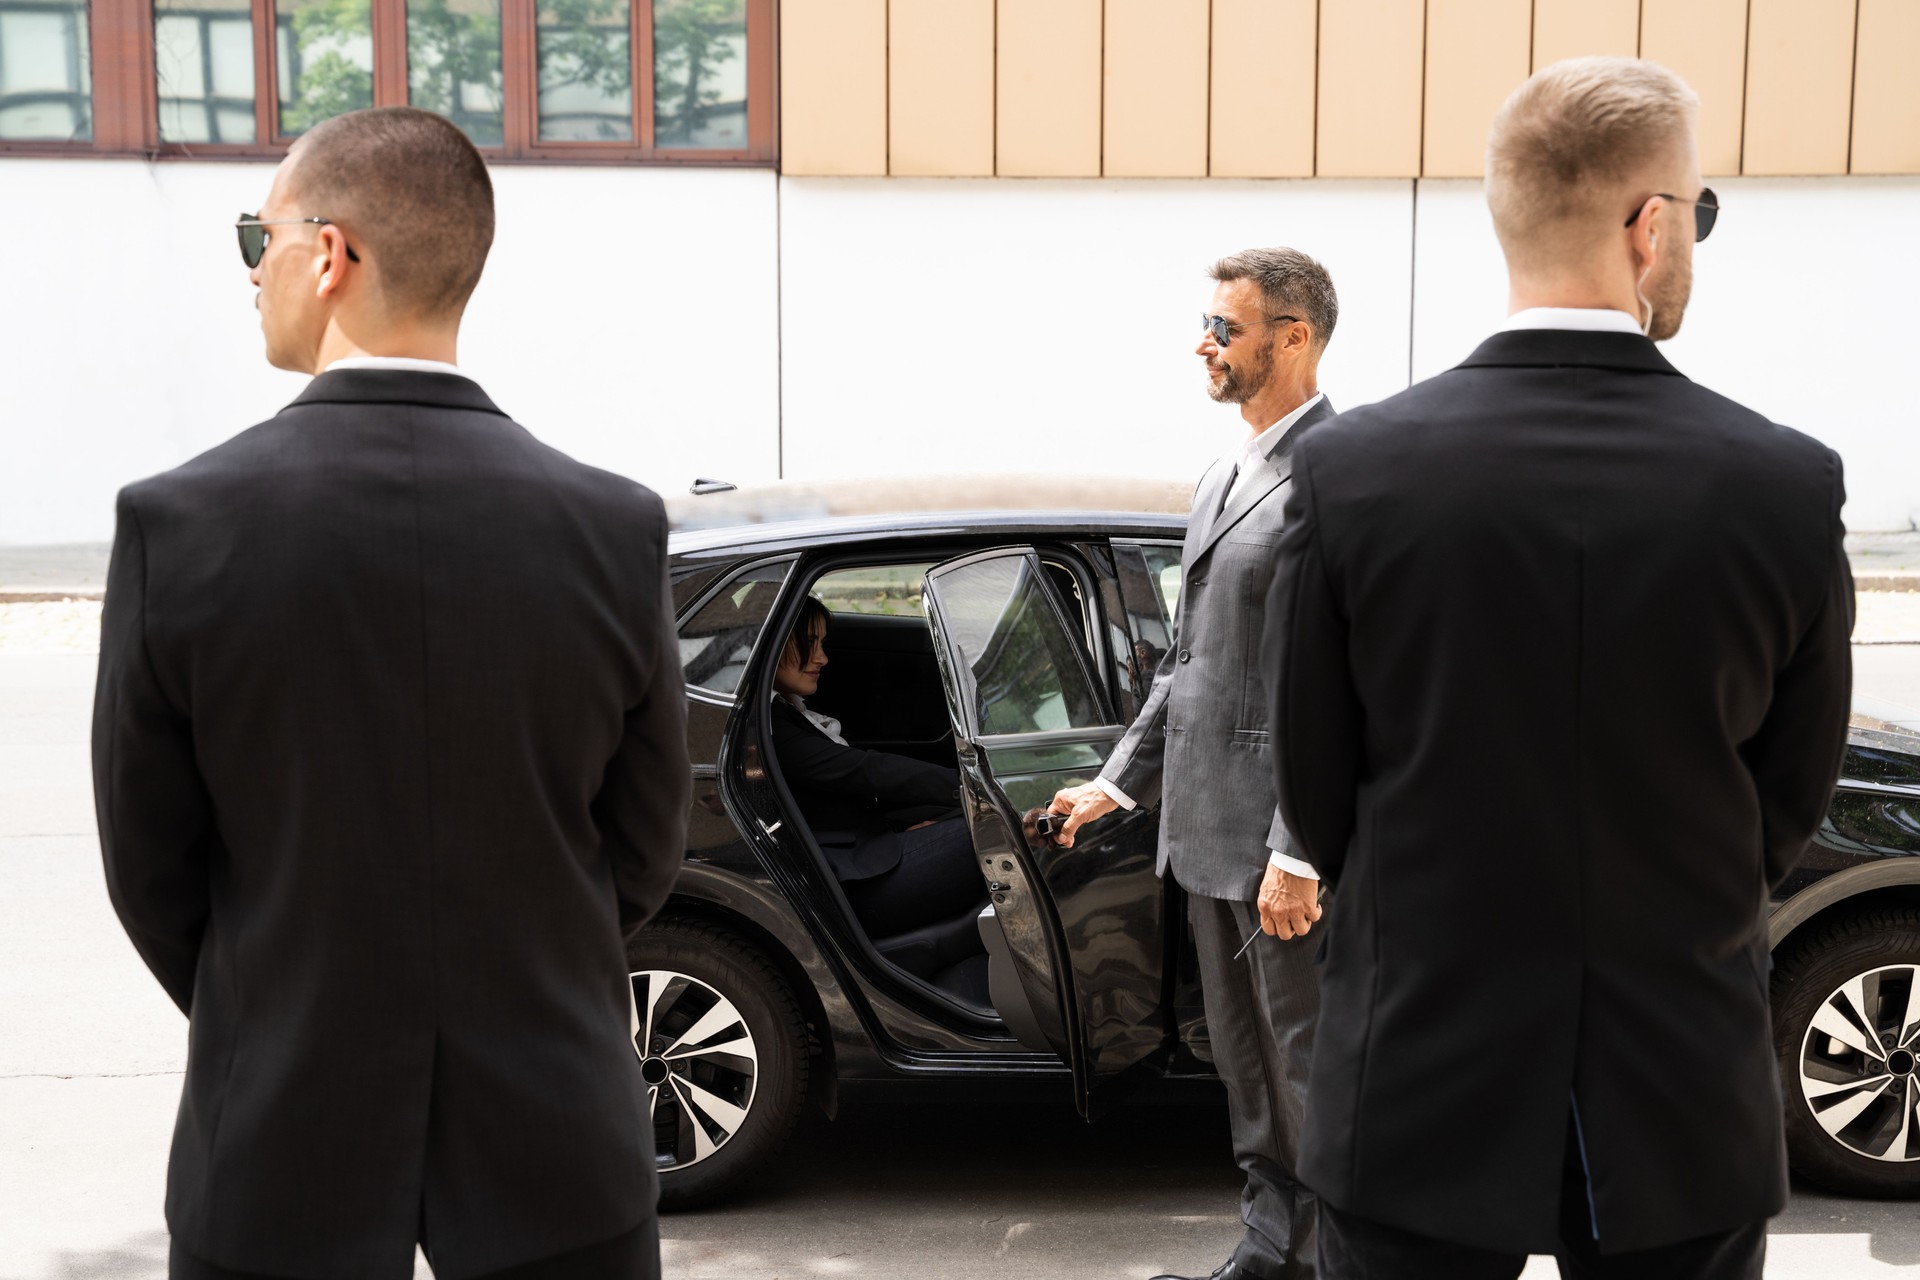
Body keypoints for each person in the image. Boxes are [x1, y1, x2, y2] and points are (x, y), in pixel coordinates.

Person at [1263, 57, 1853, 1280]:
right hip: (1680, 1079)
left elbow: (1315, 784)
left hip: (1417, 1064)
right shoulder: (1784, 484)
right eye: (1700, 209)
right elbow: (1790, 794)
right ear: (1650, 228)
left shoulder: (1354, 475)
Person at [92, 107, 690, 1280]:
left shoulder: (178, 525)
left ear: (329, 254)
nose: (252, 271)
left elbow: (152, 871)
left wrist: (279, 1004)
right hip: (558, 1140)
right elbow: (641, 843)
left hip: (272, 1146)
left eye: (254, 237)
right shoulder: (612, 527)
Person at [1050, 248, 1340, 1280]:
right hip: (1206, 833)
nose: (1203, 342)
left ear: (1293, 337)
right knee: (1248, 1071)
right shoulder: (1227, 468)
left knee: (1308, 1073)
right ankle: (1270, 1253)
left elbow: (1339, 682)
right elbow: (1191, 661)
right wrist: (1117, 777)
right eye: (1208, 322)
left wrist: (1298, 848)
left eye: (1226, 325)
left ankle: (1328, 1261)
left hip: (1278, 847)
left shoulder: (1336, 473)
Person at [768, 597, 984, 941]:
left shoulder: (787, 712)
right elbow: (865, 771)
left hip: (864, 848)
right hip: (852, 882)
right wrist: (975, 787)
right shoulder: (772, 730)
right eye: (809, 643)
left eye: (822, 644)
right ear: (771, 643)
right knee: (1004, 830)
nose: (822, 658)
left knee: (970, 815)